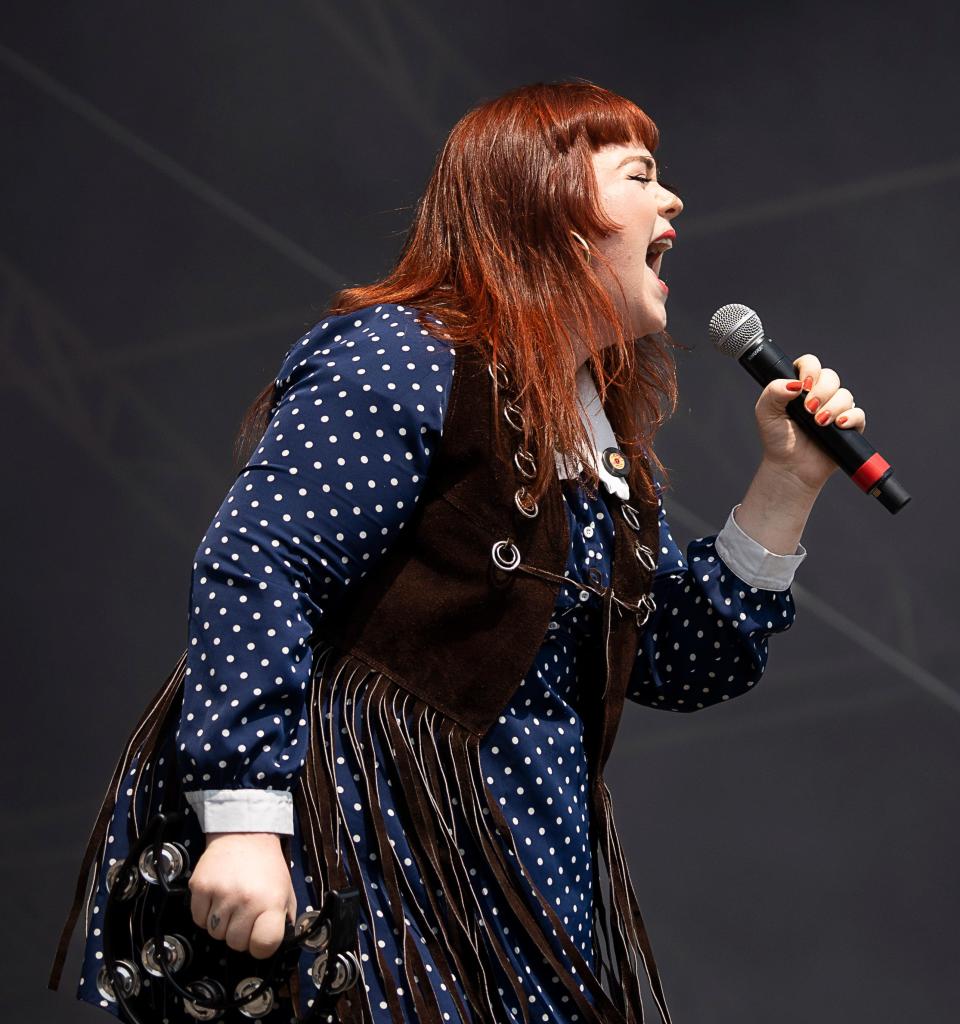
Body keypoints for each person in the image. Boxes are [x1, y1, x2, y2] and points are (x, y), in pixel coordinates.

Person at [53, 79, 865, 1024]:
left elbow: (682, 659)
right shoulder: (404, 357)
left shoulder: (595, 448)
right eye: (640, 175)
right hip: (375, 878)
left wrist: (789, 479)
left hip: (522, 899)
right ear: (549, 207)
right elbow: (257, 563)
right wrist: (242, 820)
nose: (672, 201)